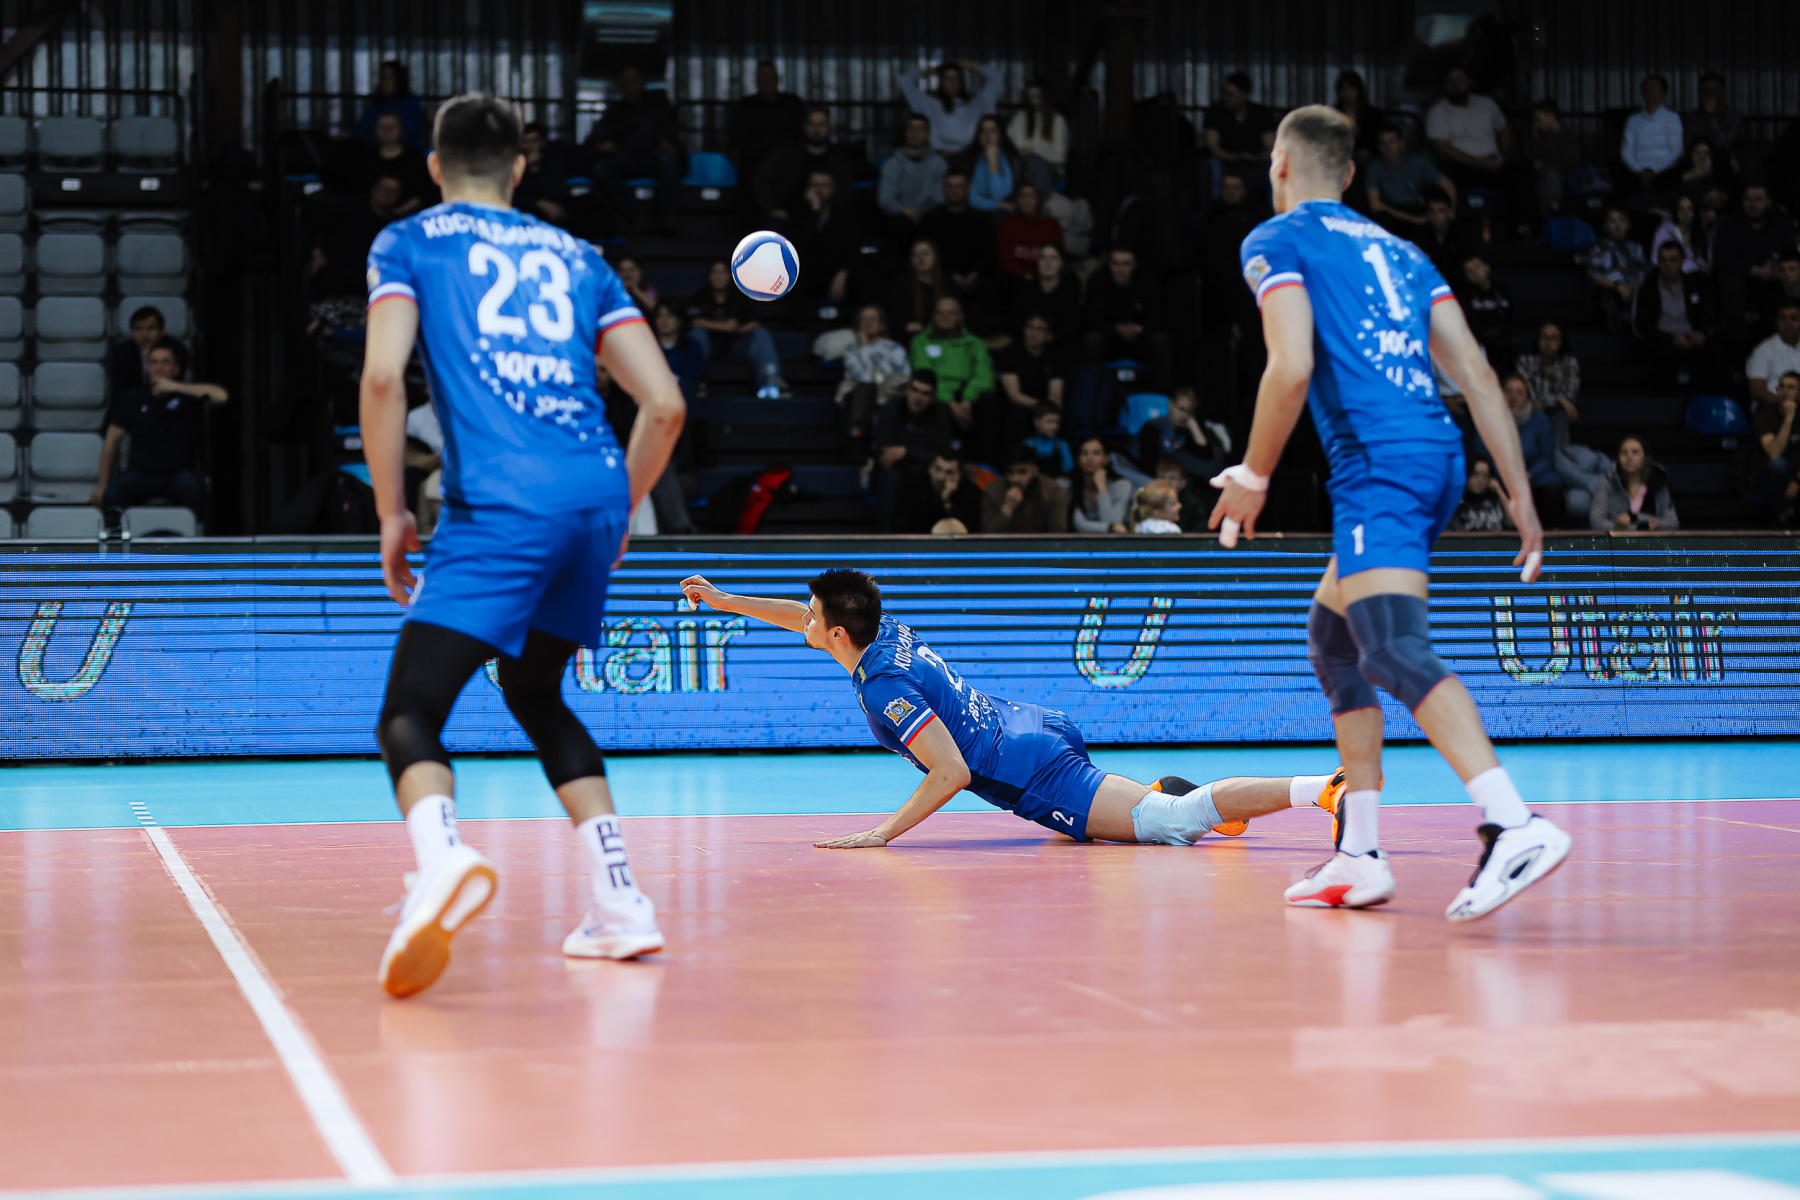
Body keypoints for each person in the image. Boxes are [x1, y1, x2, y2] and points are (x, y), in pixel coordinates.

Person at [358, 95, 685, 995]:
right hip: (593, 498)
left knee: (409, 714)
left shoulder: (408, 242)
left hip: (502, 500)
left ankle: (441, 860)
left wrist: (391, 512)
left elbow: (383, 378)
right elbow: (663, 406)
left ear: (435, 166)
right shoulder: (581, 258)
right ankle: (620, 901)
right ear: (519, 167)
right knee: (535, 691)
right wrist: (620, 511)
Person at [1211, 104, 1567, 920]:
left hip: (1379, 465)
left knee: (1393, 648)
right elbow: (1477, 375)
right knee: (1335, 640)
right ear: (1349, 174)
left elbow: (1291, 366)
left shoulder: (1276, 240)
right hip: (1437, 459)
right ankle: (1360, 853)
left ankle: (1513, 824)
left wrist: (1254, 474)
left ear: (1279, 165)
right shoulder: (1404, 252)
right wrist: (1521, 495)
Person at [678, 569, 1348, 848]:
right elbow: (797, 614)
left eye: (813, 616)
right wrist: (727, 601)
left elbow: (951, 773)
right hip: (1031, 725)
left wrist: (881, 834)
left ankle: (1321, 789)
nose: (803, 620)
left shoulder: (882, 686)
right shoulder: (877, 631)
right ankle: (1155, 793)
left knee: (1174, 824)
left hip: (1034, 771)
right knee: (1106, 830)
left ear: (836, 635)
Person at [90, 337, 225, 515]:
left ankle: (194, 532)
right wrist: (102, 485)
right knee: (113, 493)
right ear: (148, 367)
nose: (159, 367)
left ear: (176, 369)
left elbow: (220, 396)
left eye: (165, 362)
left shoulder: (188, 397)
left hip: (178, 476)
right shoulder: (133, 398)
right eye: (154, 362)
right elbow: (111, 442)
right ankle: (116, 533)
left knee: (193, 488)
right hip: (140, 475)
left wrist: (175, 386)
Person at [1424, 67, 1533, 236]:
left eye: (1460, 80)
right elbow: (1442, 147)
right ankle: (1449, 232)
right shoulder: (1438, 111)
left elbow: (1504, 130)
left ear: (1469, 83)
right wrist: (1480, 162)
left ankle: (1523, 228)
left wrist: (1501, 158)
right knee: (1443, 172)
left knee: (1523, 171)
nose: (1455, 86)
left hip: (1493, 165)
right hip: (1461, 167)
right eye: (1450, 82)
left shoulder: (1487, 104)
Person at [584, 65, 685, 235]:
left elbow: (659, 132)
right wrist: (604, 143)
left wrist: (665, 141)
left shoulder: (657, 103)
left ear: (643, 83)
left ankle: (670, 220)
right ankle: (639, 214)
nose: (629, 85)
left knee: (668, 160)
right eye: (624, 81)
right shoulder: (616, 109)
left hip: (654, 157)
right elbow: (597, 135)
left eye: (633, 80)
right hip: (629, 158)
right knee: (601, 169)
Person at [685, 259, 787, 400]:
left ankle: (770, 383)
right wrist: (725, 327)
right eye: (715, 272)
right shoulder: (701, 296)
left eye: (723, 272)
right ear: (709, 276)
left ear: (730, 276)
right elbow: (694, 322)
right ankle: (696, 385)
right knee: (697, 335)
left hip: (737, 344)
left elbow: (756, 322)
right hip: (710, 345)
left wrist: (737, 329)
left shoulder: (740, 296)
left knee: (761, 334)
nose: (719, 277)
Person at [1474, 375, 1566, 528]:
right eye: (1509, 391)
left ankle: (1553, 535)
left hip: (1534, 477)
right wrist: (1508, 476)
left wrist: (1528, 475)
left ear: (1527, 397)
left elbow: (1547, 458)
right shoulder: (1488, 420)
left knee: (1552, 488)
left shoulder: (1540, 420)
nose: (1513, 397)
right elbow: (1483, 456)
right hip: (1502, 477)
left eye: (1519, 392)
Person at [872, 370, 957, 531]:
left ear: (933, 397)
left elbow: (943, 455)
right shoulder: (891, 409)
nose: (918, 397)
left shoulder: (940, 413)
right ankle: (887, 537)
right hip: (897, 472)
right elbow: (885, 455)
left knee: (936, 476)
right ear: (907, 390)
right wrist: (920, 454)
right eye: (915, 390)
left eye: (925, 393)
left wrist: (906, 452)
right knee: (890, 477)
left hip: (925, 472)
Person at [1083, 246, 1171, 389]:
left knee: (1161, 341)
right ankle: (1092, 391)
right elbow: (1091, 317)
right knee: (1092, 340)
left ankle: (1159, 393)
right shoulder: (1098, 281)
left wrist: (1140, 329)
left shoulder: (1147, 282)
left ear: (1134, 265)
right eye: (1115, 263)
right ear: (1109, 264)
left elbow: (1158, 316)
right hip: (1110, 339)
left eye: (1126, 264)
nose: (1120, 269)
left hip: (1140, 339)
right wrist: (1115, 329)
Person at [309, 174, 406, 303]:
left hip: (370, 290)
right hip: (335, 286)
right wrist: (316, 254)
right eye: (383, 189)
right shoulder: (348, 210)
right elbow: (315, 227)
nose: (386, 194)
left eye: (392, 191)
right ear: (374, 189)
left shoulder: (396, 226)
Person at [1632, 240, 1716, 388]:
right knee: (1660, 356)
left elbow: (1706, 316)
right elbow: (1642, 326)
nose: (1668, 265)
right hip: (1662, 340)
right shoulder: (1648, 289)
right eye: (1663, 260)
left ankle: (1704, 397)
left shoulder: (1694, 286)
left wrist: (1701, 333)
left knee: (1714, 353)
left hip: (1691, 338)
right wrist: (1671, 339)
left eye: (1673, 260)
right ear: (1658, 262)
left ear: (1682, 261)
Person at [1713, 185, 1795, 335]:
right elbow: (1722, 258)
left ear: (1768, 202)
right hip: (1741, 279)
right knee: (1731, 282)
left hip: (1773, 277)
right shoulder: (1729, 224)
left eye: (1758, 200)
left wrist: (1779, 268)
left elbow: (1791, 253)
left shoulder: (1780, 224)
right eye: (1748, 200)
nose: (1753, 205)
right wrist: (1754, 270)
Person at [753, 105, 856, 223]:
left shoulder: (839, 158)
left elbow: (846, 190)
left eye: (821, 124)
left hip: (829, 218)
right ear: (804, 126)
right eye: (812, 124)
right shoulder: (786, 154)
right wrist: (772, 209)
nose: (816, 129)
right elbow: (761, 180)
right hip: (788, 217)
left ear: (829, 127)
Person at [909, 296, 994, 435]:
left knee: (989, 402)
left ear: (961, 316)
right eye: (940, 313)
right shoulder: (920, 342)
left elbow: (984, 376)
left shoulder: (976, 343)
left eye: (951, 313)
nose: (945, 317)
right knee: (932, 404)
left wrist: (967, 400)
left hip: (969, 394)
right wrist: (951, 403)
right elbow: (925, 375)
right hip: (937, 394)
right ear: (933, 316)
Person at [838, 303, 911, 453]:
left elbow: (905, 375)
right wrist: (864, 348)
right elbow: (864, 378)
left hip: (889, 394)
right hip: (857, 396)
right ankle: (857, 440)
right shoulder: (851, 350)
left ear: (882, 324)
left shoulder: (894, 348)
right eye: (863, 319)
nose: (868, 323)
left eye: (873, 319)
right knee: (866, 388)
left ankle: (859, 441)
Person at [919, 171, 998, 303]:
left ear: (968, 189)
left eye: (959, 186)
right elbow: (927, 253)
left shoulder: (982, 220)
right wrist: (951, 275)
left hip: (979, 280)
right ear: (943, 189)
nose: (954, 191)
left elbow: (990, 254)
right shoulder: (931, 219)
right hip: (941, 278)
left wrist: (975, 275)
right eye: (950, 186)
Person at [899, 61, 1004, 157]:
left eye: (956, 78)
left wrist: (968, 65)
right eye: (947, 79)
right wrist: (931, 70)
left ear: (962, 81)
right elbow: (904, 81)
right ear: (941, 81)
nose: (952, 83)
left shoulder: (977, 104)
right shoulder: (929, 104)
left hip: (970, 158)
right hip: (938, 158)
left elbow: (996, 77)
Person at [785, 169, 857, 305]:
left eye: (824, 185)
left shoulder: (845, 217)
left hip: (835, 276)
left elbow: (852, 249)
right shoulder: (796, 215)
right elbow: (803, 243)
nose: (818, 190)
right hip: (805, 278)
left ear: (834, 188)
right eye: (814, 185)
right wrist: (815, 211)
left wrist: (843, 272)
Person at [1365, 125, 1454, 232]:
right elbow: (1375, 205)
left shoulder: (1416, 162)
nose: (1387, 147)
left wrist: (1451, 211)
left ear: (1401, 143)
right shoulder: (1375, 167)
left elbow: (1447, 184)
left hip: (1416, 208)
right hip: (1391, 212)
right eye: (1382, 143)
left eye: (1392, 141)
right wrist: (1414, 220)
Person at [729, 61, 805, 186]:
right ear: (756, 81)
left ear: (777, 79)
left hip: (789, 169)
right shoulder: (745, 106)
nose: (767, 81)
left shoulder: (792, 104)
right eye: (763, 78)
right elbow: (736, 137)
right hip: (753, 167)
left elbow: (802, 134)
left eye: (770, 77)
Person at [1203, 73, 1277, 196]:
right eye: (1224, 93)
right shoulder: (1214, 113)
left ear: (1244, 95)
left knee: (1272, 168)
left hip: (1255, 165)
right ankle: (1216, 203)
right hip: (1225, 164)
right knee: (1212, 166)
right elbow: (1212, 147)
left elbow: (1270, 146)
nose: (1225, 98)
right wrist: (1237, 157)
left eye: (1230, 94)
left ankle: (1272, 205)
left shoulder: (1262, 114)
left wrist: (1255, 158)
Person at [1741, 370, 1800, 520]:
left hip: (1796, 474)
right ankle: (1781, 514)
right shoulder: (1763, 415)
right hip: (1768, 475)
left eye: (1791, 387)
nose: (1784, 391)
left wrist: (1798, 481)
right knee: (1778, 465)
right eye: (1781, 386)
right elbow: (1774, 453)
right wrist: (1788, 419)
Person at [1588, 435, 1678, 532]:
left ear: (1645, 458)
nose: (1629, 457)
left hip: (1652, 541)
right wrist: (1638, 528)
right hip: (1617, 540)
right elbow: (1596, 523)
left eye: (1635, 452)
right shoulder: (1607, 483)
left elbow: (1672, 523)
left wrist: (1634, 517)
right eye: (1624, 452)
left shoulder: (1658, 482)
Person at [878, 113, 947, 238]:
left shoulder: (939, 164)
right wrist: (907, 211)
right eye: (911, 128)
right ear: (905, 133)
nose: (915, 133)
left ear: (928, 133)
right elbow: (885, 199)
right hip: (900, 218)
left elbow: (940, 198)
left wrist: (921, 212)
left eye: (920, 128)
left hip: (930, 217)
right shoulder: (892, 164)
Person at [1137, 386, 1222, 480]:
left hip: (1180, 476)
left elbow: (1206, 456)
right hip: (1158, 477)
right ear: (1171, 405)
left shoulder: (1185, 430)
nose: (1184, 415)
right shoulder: (1153, 427)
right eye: (1181, 409)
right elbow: (1147, 464)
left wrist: (1194, 426)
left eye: (1189, 412)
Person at [358, 110, 434, 216]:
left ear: (401, 129)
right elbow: (361, 190)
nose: (387, 131)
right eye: (382, 127)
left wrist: (398, 213)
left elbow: (424, 192)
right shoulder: (367, 156)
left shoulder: (414, 157)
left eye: (392, 127)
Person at [1584, 207, 1648, 330]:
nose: (1618, 225)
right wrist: (1618, 287)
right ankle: (1615, 317)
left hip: (1634, 288)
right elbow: (1594, 274)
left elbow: (1644, 271)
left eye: (1621, 220)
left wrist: (1632, 287)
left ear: (1628, 224)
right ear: (1606, 226)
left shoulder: (1636, 247)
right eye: (1613, 221)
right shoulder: (1599, 248)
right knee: (1605, 294)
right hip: (1611, 287)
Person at [1621, 74, 1684, 197]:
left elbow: (1676, 151)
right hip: (1636, 171)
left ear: (1663, 92)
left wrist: (1654, 170)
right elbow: (1626, 151)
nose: (1650, 91)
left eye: (1655, 88)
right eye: (1647, 88)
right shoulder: (1633, 120)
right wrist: (1639, 171)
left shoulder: (1672, 118)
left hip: (1665, 170)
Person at [1515, 321, 1581, 438]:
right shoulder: (1525, 362)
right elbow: (1527, 396)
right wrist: (1559, 399)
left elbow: (1569, 399)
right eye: (1544, 337)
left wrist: (1561, 403)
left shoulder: (1569, 363)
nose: (1548, 342)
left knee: (1558, 415)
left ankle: (1558, 449)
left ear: (1561, 341)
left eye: (1554, 338)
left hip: (1558, 417)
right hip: (1530, 413)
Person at [1007, 242, 1083, 343]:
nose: (1047, 263)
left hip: (1061, 343)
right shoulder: (1026, 288)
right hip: (1028, 342)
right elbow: (1017, 320)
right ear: (1038, 262)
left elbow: (1074, 324)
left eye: (1053, 258)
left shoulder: (1070, 289)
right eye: (1043, 258)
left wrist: (1053, 336)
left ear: (1062, 263)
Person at [982, 447, 1068, 533]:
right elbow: (989, 534)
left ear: (1035, 470)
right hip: (1007, 541)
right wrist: (1008, 507)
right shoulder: (994, 490)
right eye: (1011, 472)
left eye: (1022, 472)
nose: (1015, 479)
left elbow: (1058, 533)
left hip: (1039, 541)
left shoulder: (1051, 491)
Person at [894, 451, 983, 534]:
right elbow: (900, 526)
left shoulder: (971, 492)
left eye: (949, 472)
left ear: (959, 475)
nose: (941, 477)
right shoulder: (911, 486)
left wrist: (947, 503)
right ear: (930, 468)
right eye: (938, 469)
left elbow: (969, 532)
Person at [107, 304, 184, 399]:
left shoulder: (177, 351)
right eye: (138, 329)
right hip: (133, 402)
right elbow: (118, 392)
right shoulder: (121, 353)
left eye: (150, 328)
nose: (144, 335)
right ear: (132, 331)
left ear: (161, 331)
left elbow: (177, 387)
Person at [1006, 78, 1067, 192]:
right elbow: (1010, 144)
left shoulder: (1057, 120)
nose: (1034, 101)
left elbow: (1060, 156)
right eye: (1031, 97)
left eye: (1038, 96)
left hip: (1048, 168)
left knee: (1034, 161)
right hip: (1021, 164)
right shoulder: (1020, 118)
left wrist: (1034, 149)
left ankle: (1037, 198)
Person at [1457, 253, 1514, 372]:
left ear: (1487, 267)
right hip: (1479, 346)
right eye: (1469, 271)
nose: (1475, 273)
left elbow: (1511, 317)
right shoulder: (1465, 297)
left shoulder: (1502, 291)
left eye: (1477, 267)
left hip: (1504, 344)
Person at [1525, 98, 1579, 218]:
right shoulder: (1541, 138)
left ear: (1550, 115)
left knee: (1551, 176)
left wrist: (1545, 165)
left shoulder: (1568, 136)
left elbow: (1567, 163)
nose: (1537, 124)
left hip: (1560, 176)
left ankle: (1553, 210)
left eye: (1539, 119)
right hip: (1542, 174)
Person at [996, 182, 1063, 278]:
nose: (1027, 200)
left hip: (1044, 278)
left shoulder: (1051, 224)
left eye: (1031, 196)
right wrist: (1024, 275)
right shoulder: (1007, 224)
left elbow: (1058, 255)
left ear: (1038, 200)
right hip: (1014, 278)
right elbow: (1005, 257)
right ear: (1017, 200)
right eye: (1023, 196)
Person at [353, 60, 424, 149]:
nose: (385, 81)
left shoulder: (411, 103)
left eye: (390, 77)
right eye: (383, 77)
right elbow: (362, 130)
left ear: (398, 80)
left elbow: (407, 132)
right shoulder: (377, 104)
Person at [511, 122, 570, 226]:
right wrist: (538, 203)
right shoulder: (513, 165)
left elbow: (557, 190)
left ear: (543, 142)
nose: (529, 145)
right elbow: (513, 196)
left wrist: (536, 167)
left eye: (534, 140)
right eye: (525, 141)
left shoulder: (555, 161)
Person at [886, 238, 947, 338]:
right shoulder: (902, 286)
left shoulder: (945, 286)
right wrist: (906, 326)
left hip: (943, 338)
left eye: (925, 253)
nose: (920, 258)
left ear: (935, 256)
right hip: (912, 339)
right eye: (915, 255)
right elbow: (895, 317)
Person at [1070, 435, 1132, 533]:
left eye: (1096, 453)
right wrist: (1109, 528)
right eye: (1084, 453)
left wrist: (1102, 487)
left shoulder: (1122, 486)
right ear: (1078, 459)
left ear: (1106, 459)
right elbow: (1079, 524)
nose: (1090, 458)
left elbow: (1114, 522)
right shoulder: (1068, 485)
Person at [962, 114, 1021, 213]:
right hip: (977, 212)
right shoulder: (971, 159)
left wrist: (993, 163)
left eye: (992, 131)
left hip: (1003, 215)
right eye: (983, 131)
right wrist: (1000, 205)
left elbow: (999, 195)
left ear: (1001, 136)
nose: (987, 136)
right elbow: (971, 198)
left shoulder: (1011, 161)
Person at [1747, 301, 1800, 407]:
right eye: (1783, 318)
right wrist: (1783, 406)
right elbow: (1757, 389)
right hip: (1772, 407)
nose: (1788, 323)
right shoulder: (1763, 350)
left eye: (1794, 318)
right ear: (1776, 321)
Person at [652, 300, 706, 396]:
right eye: (659, 316)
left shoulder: (692, 347)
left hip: (684, 396)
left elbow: (693, 377)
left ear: (680, 321)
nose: (664, 320)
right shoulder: (648, 347)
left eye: (670, 315)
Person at [1685, 72, 1744, 156]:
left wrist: (1712, 115)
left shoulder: (1733, 116)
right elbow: (1690, 144)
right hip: (1700, 159)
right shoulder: (1693, 117)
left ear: (1722, 93)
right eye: (1706, 91)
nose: (1709, 95)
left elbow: (1726, 145)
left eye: (1713, 91)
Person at [1652, 193, 1711, 274]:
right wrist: (1694, 267)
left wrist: (1702, 266)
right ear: (1676, 211)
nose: (1685, 213)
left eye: (1690, 209)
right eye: (1681, 209)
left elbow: (1705, 258)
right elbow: (1656, 261)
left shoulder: (1699, 231)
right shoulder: (1664, 232)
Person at [1411, 191, 1465, 273]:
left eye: (1441, 210)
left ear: (1449, 212)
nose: (1436, 216)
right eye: (1432, 211)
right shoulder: (1421, 235)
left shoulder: (1460, 234)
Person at [1447, 458, 1507, 531]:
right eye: (1476, 474)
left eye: (1485, 476)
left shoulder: (1495, 501)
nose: (1480, 480)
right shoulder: (1457, 503)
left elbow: (1512, 522)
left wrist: (1499, 490)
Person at [1020, 403, 1072, 477]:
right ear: (1036, 422)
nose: (1054, 427)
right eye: (1049, 422)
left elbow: (1069, 470)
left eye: (1057, 422)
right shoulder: (1027, 444)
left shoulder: (1061, 445)